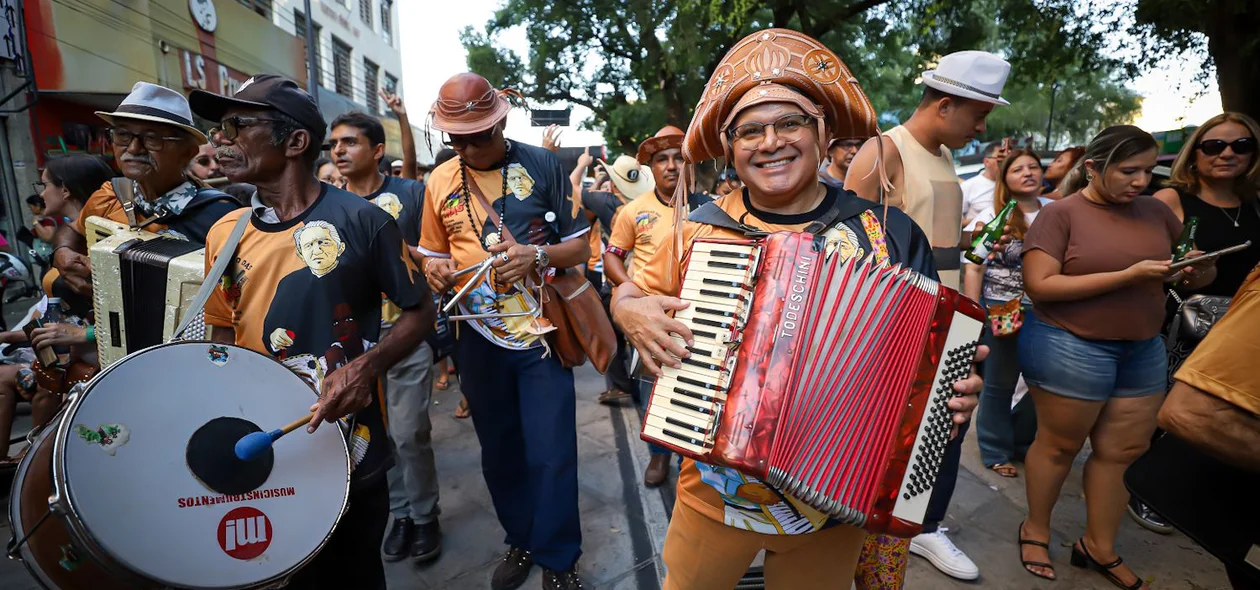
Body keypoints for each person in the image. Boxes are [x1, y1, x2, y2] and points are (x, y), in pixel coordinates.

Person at [609, 29, 986, 589]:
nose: (770, 142)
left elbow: (934, 360)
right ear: (731, 148)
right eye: (750, 132)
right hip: (714, 492)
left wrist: (950, 398)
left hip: (835, 504)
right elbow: (632, 291)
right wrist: (627, 309)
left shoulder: (889, 233)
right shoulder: (696, 231)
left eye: (790, 123)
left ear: (823, 132)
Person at [190, 73, 433, 590]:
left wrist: (367, 366)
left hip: (352, 444)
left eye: (238, 126)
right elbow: (220, 336)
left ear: (296, 142)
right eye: (219, 128)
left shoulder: (365, 222)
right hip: (261, 445)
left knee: (355, 573)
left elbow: (419, 311)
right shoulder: (223, 234)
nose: (220, 139)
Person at [1015, 125, 1217, 589]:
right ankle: (1036, 529)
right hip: (1070, 343)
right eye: (1129, 171)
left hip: (1142, 346)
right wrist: (1126, 276)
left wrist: (1198, 272)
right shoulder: (1061, 214)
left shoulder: (1157, 212)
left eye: (1149, 170)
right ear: (1092, 167)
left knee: (1124, 450)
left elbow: (1182, 279)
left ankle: (1098, 546)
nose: (1141, 181)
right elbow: (1041, 285)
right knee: (1061, 445)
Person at [418, 72, 591, 590]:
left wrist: (536, 254)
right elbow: (431, 251)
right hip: (476, 337)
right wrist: (435, 270)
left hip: (540, 336)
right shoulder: (440, 180)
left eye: (480, 135)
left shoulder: (543, 165)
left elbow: (580, 247)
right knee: (498, 449)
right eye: (458, 139)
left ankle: (559, 559)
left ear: (503, 120)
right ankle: (522, 539)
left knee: (552, 450)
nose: (469, 147)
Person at [847, 50, 1011, 582]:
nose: (982, 128)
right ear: (945, 104)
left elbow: (935, 235)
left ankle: (924, 527)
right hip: (902, 321)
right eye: (978, 115)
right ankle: (877, 526)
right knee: (893, 435)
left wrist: (976, 241)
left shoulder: (941, 154)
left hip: (953, 314)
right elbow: (847, 242)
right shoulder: (883, 151)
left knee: (946, 429)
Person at [1125, 112, 1260, 533]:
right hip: (1184, 315)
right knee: (1174, 405)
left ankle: (1199, 490)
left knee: (1226, 409)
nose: (1227, 154)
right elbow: (1147, 261)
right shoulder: (1171, 200)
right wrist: (1193, 266)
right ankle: (1150, 490)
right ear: (1195, 153)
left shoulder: (1256, 202)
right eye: (1214, 145)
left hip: (1242, 324)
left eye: (1240, 145)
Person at [327, 110, 442, 564]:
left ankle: (427, 515)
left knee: (412, 432)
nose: (339, 151)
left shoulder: (411, 194)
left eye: (350, 142)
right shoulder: (325, 206)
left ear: (377, 151)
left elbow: (438, 252)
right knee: (373, 435)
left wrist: (406, 254)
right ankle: (401, 515)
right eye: (334, 143)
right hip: (354, 342)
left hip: (406, 332)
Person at [48, 82, 240, 304]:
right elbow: (72, 230)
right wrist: (62, 251)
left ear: (187, 152)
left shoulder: (222, 217)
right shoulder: (110, 195)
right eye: (122, 136)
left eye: (151, 138)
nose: (133, 149)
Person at [605, 126, 712, 486]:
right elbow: (613, 256)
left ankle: (691, 462)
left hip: (701, 315)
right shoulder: (633, 211)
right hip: (651, 318)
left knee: (697, 390)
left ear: (689, 165)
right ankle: (659, 456)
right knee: (653, 394)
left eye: (677, 159)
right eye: (661, 159)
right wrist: (631, 295)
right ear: (650, 167)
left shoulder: (712, 208)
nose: (670, 166)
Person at [963, 148, 1051, 477]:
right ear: (1005, 179)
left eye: (1033, 167)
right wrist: (975, 313)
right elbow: (973, 267)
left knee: (1044, 383)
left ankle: (1021, 439)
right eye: (1018, 169)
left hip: (1048, 313)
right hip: (1001, 309)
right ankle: (995, 448)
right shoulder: (991, 216)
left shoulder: (1056, 212)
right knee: (999, 383)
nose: (1027, 173)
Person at [580, 152, 654, 409]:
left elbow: (573, 190)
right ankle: (640, 391)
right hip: (643, 280)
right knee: (639, 341)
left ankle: (624, 386)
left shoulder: (605, 201)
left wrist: (588, 172)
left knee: (608, 335)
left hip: (615, 282)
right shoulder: (648, 201)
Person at [961, 141, 1005, 234]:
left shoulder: (1014, 187)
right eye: (1000, 159)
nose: (1005, 164)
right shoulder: (969, 186)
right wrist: (983, 219)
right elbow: (956, 222)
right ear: (986, 162)